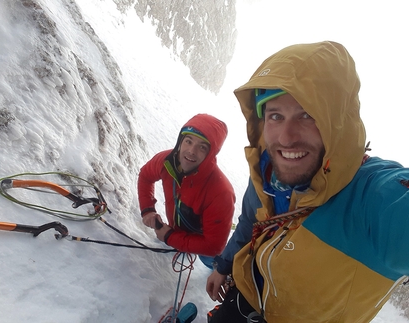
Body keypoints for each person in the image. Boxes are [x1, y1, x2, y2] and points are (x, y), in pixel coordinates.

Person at [206, 41, 409, 322]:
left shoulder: (372, 197)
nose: (287, 138)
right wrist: (223, 266)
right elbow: (248, 222)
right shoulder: (267, 172)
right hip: (244, 299)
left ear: (338, 122)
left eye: (307, 115)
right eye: (275, 115)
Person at [137, 113, 235, 268]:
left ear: (211, 154)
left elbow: (213, 246)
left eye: (202, 147)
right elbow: (145, 176)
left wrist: (170, 237)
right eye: (188, 141)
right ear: (180, 142)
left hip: (202, 241)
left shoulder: (221, 193)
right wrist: (147, 209)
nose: (191, 151)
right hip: (175, 232)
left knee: (216, 263)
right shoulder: (166, 162)